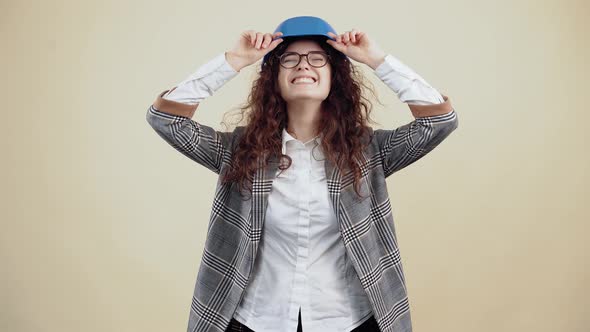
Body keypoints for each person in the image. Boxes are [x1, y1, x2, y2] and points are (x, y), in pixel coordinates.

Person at [146, 16, 458, 332]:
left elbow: (439, 122)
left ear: (335, 76)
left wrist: (377, 60)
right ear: (274, 78)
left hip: (348, 322)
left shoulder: (366, 151)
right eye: (290, 59)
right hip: (255, 321)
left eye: (318, 59)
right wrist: (233, 62)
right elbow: (166, 119)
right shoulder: (241, 150)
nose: (304, 66)